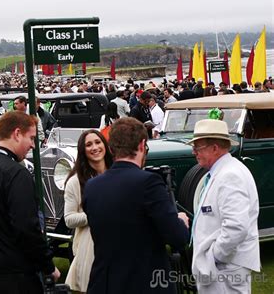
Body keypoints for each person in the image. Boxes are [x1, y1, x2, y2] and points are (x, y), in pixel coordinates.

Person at [83, 117, 189, 293]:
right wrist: (181, 221)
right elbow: (177, 237)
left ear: (111, 149)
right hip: (143, 282)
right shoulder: (149, 183)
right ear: (142, 145)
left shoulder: (92, 186)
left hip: (105, 282)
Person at [0, 111, 60, 293]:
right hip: (12, 275)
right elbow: (26, 227)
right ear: (17, 134)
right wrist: (47, 265)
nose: (33, 145)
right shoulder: (17, 173)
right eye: (31, 138)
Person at [188, 119, 260, 293]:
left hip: (225, 270)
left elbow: (236, 227)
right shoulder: (224, 171)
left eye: (198, 148)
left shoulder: (230, 175)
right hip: (223, 268)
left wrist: (214, 257)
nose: (194, 152)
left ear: (215, 148)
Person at [64, 130, 113, 293]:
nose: (95, 147)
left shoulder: (116, 174)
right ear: (82, 151)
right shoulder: (75, 182)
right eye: (89, 144)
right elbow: (69, 219)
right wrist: (94, 215)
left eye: (98, 142)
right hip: (90, 248)